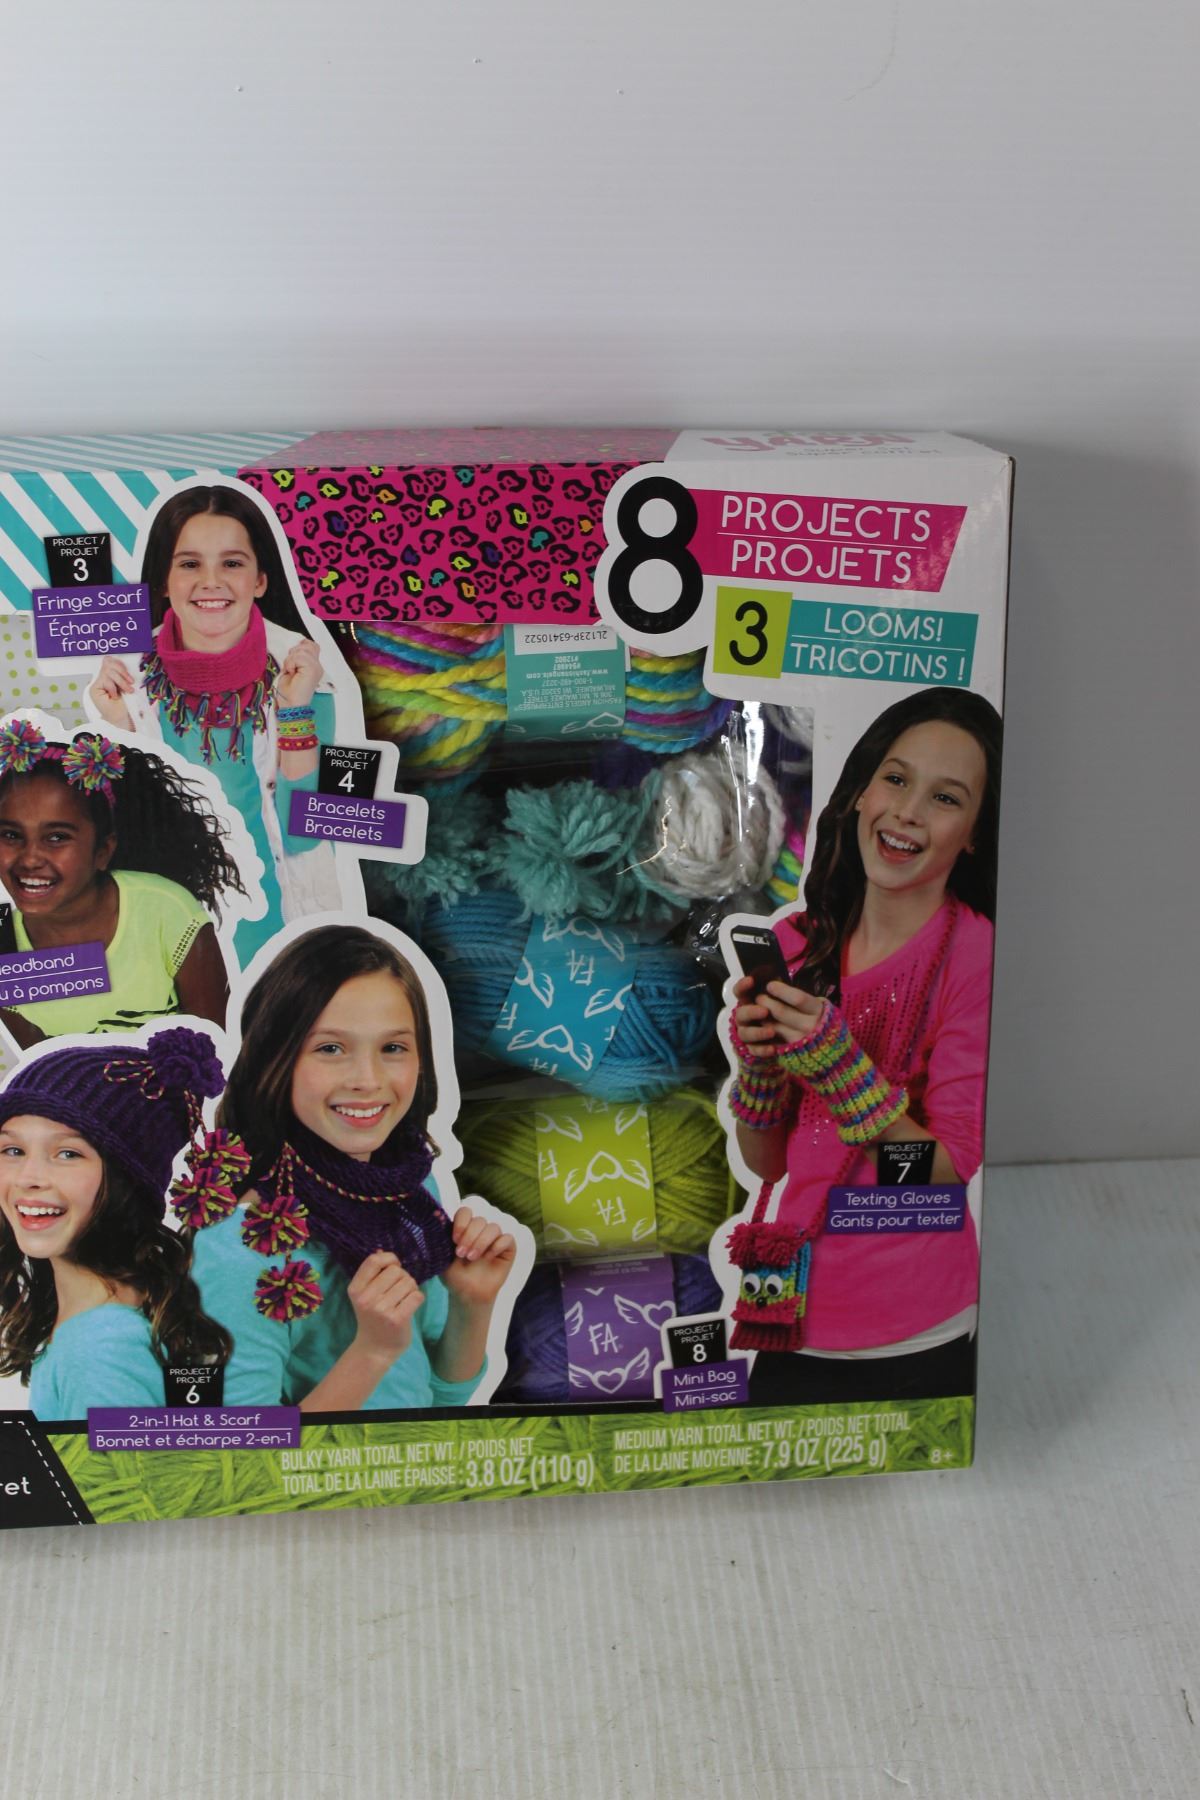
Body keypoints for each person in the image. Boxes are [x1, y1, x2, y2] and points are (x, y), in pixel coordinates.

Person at [727, 687, 1002, 1404]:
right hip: (790, 1314)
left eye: (946, 798)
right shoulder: (795, 944)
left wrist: (844, 1073)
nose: (908, 811)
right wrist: (761, 1070)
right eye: (897, 778)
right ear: (859, 791)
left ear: (974, 832)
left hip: (917, 1328)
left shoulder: (976, 954)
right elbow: (769, 1164)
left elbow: (946, 1174)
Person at [190, 925, 517, 1411]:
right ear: (274, 1059)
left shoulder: (406, 1193)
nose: (368, 1080)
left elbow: (438, 1400)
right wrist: (372, 1352)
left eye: (393, 1048)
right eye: (330, 1048)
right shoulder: (242, 1248)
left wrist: (473, 1304)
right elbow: (240, 1449)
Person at [85, 483, 343, 963]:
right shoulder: (129, 684)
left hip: (280, 932)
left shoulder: (307, 676)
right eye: (189, 564)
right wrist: (119, 729)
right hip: (173, 934)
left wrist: (294, 710)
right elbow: (126, 836)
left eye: (232, 563)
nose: (211, 581)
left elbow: (307, 833)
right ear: (164, 581)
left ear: (260, 579)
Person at [0, 1026, 232, 1417]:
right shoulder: (107, 1323)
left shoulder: (99, 1349)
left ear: (127, 1181)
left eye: (68, 1153)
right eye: (12, 1149)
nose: (28, 1178)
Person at [0, 718, 242, 1045]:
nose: (30, 859)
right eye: (11, 835)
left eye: (57, 837)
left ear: (103, 850)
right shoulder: (3, 941)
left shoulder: (165, 911)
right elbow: (42, 1060)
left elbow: (219, 1045)